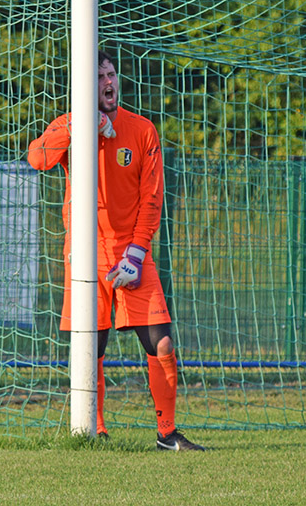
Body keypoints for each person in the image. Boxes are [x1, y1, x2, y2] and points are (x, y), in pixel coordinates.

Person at [27, 49, 204, 451]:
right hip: (85, 255)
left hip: (132, 255)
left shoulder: (142, 130)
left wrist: (137, 254)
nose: (108, 82)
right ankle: (96, 432)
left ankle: (167, 435)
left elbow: (151, 198)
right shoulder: (70, 126)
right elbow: (37, 158)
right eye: (98, 77)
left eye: (111, 74)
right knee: (91, 349)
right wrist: (78, 125)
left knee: (162, 344)